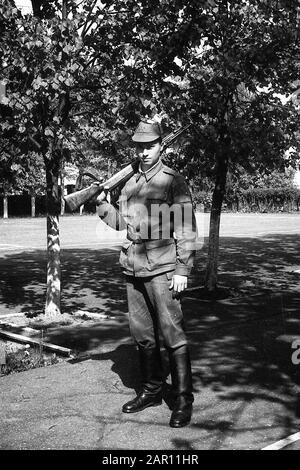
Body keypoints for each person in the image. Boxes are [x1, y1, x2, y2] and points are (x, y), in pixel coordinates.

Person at [97, 120, 197, 428]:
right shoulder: (129, 183)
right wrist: (103, 206)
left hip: (163, 268)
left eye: (149, 146)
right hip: (133, 266)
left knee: (172, 335)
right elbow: (122, 225)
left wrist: (183, 269)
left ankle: (182, 400)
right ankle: (152, 390)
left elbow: (185, 227)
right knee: (142, 336)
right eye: (139, 147)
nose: (143, 152)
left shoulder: (172, 180)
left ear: (160, 146)